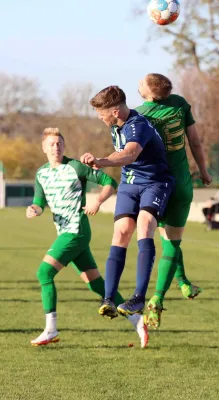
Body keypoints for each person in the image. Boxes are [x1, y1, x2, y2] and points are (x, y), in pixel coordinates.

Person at [27, 127, 148, 348]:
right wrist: (34, 209)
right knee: (96, 285)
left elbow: (110, 182)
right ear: (44, 148)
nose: (56, 147)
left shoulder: (76, 167)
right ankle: (138, 320)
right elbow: (39, 200)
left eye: (59, 143)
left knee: (44, 272)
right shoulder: (41, 173)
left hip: (76, 231)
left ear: (64, 146)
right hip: (65, 232)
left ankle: (50, 329)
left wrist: (97, 201)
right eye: (52, 144)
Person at [80, 85, 174, 318]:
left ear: (114, 111)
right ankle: (109, 299)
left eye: (101, 113)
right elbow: (118, 155)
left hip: (154, 183)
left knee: (144, 226)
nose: (99, 117)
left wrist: (102, 161)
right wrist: (100, 160)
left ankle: (138, 298)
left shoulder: (138, 125)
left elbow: (130, 154)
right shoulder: (117, 124)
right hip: (129, 185)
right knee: (121, 232)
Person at [136, 73, 212, 328]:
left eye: (142, 82)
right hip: (181, 184)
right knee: (172, 240)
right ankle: (174, 288)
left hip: (156, 186)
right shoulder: (179, 103)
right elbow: (196, 143)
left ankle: (159, 294)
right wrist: (203, 171)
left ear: (149, 93)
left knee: (166, 239)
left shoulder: (139, 114)